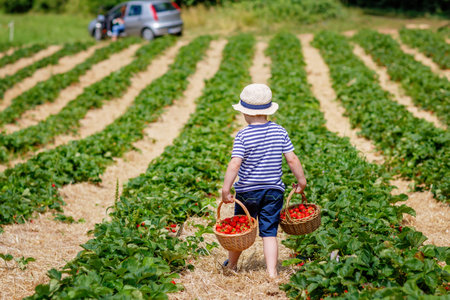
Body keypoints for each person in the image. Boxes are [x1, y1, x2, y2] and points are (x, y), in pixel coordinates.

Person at [221, 83, 307, 278]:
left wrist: (226, 189)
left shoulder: (243, 135)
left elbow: (235, 164)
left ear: (245, 112)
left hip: (247, 192)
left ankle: (232, 266)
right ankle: (272, 272)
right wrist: (301, 181)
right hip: (273, 191)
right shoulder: (280, 131)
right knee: (269, 232)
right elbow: (292, 158)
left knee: (241, 229)